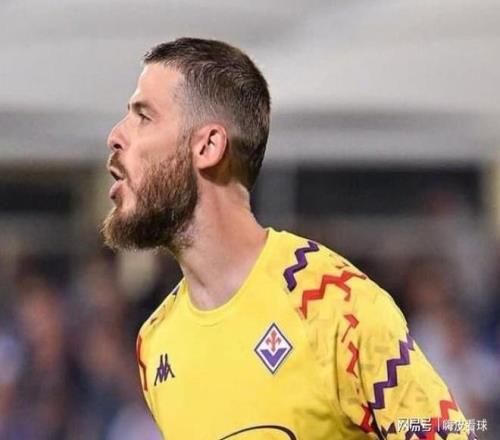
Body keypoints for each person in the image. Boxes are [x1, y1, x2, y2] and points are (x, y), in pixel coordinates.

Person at [103, 38, 475, 439]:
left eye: (144, 116)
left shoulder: (334, 306)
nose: (115, 136)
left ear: (208, 147)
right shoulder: (156, 343)